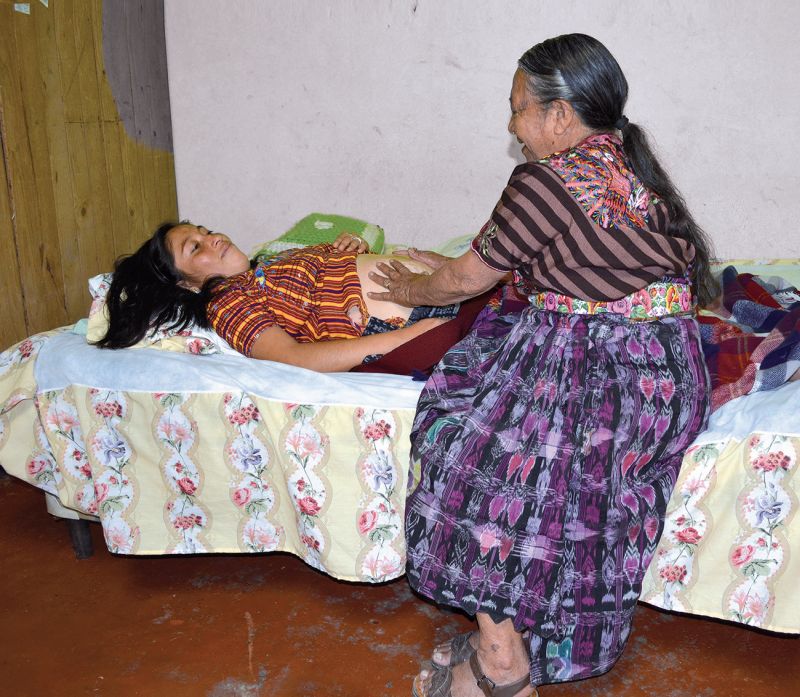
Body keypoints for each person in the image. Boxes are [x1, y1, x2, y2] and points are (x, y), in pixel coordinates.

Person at [367, 34, 714, 697]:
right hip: (667, 373)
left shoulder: (546, 180)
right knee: (565, 497)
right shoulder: (635, 169)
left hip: (602, 370)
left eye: (519, 106)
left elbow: (465, 277)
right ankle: (530, 641)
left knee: (463, 458)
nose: (512, 124)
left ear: (560, 115)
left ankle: (501, 662)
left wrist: (410, 286)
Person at [94, 222, 456, 372]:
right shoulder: (226, 303)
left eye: (206, 231)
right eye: (196, 246)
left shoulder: (270, 263)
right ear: (185, 285)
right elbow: (294, 357)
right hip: (424, 321)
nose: (213, 237)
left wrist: (352, 249)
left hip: (448, 291)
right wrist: (412, 336)